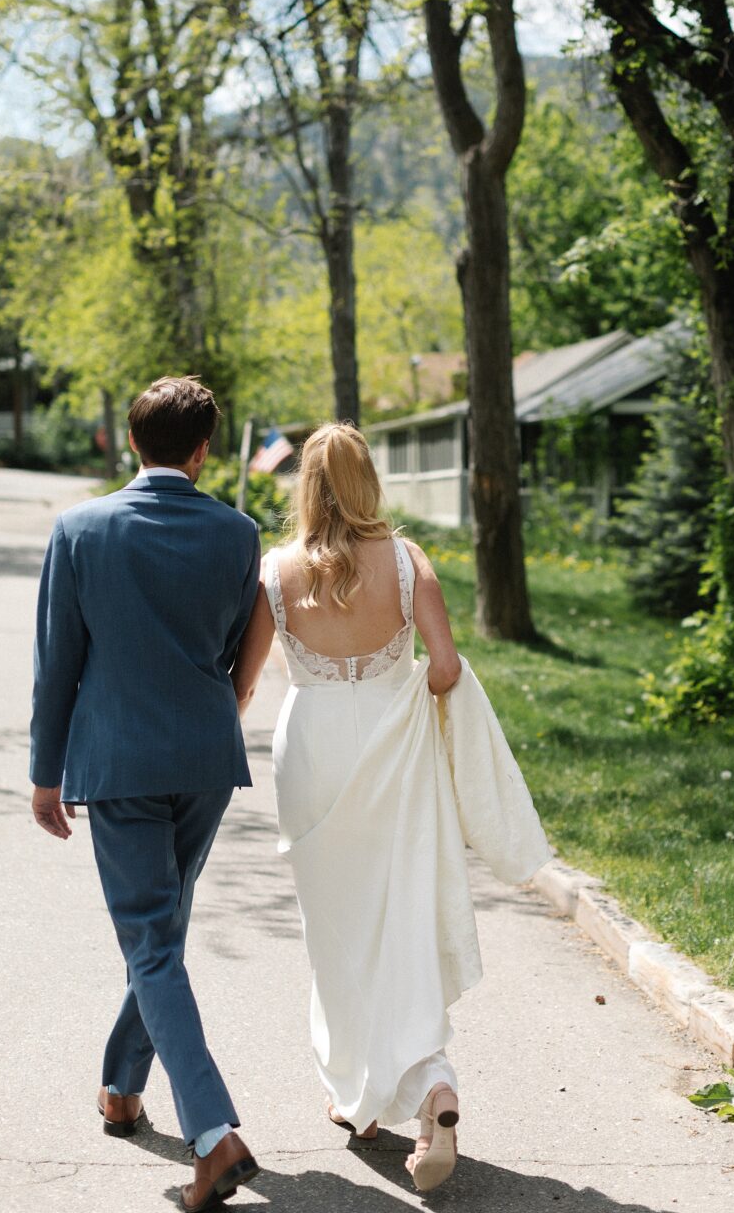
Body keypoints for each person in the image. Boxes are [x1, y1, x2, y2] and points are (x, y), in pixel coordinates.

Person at [232, 422, 551, 1193]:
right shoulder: (407, 563)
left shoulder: (274, 571)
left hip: (311, 756)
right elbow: (442, 668)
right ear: (369, 480)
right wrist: (401, 693)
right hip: (391, 752)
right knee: (399, 921)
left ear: (304, 487)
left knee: (335, 932)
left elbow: (241, 688)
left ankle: (362, 1102)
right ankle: (429, 1087)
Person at [29, 376, 262, 1213]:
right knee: (159, 935)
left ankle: (212, 1132)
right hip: (204, 757)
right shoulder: (238, 534)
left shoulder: (80, 528)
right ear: (202, 450)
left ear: (134, 441)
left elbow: (59, 662)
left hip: (118, 760)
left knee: (151, 945)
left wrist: (44, 773)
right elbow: (236, 644)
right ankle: (122, 1090)